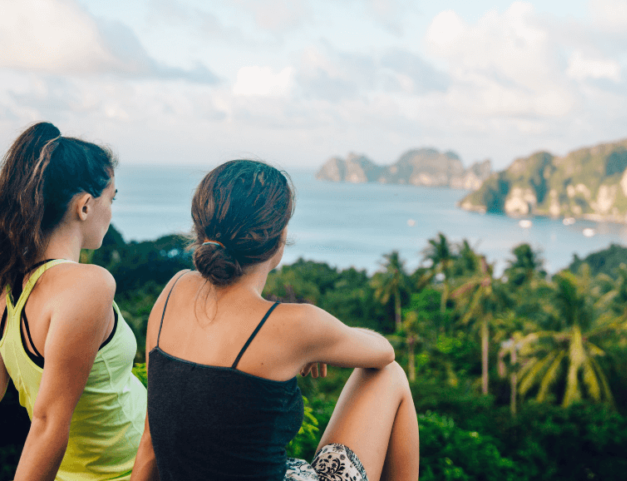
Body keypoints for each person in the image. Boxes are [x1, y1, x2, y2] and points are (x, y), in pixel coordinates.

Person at [131, 160, 419, 481]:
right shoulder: (295, 326)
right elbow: (383, 352)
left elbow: (150, 441)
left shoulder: (173, 292)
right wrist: (315, 345)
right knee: (389, 375)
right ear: (279, 237)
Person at [0, 122, 146, 481]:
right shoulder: (89, 284)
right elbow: (48, 422)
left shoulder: (1, 283)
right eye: (111, 198)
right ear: (84, 206)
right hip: (127, 472)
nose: (111, 211)